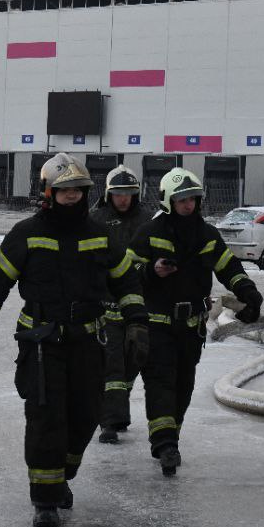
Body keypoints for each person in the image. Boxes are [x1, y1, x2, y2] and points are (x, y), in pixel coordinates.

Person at [0, 153, 145, 527]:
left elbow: (126, 281)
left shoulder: (99, 234)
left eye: (77, 190)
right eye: (64, 190)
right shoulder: (26, 234)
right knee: (46, 419)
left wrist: (138, 323)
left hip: (87, 341)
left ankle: (61, 476)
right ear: (48, 192)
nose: (72, 196)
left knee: (85, 416)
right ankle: (45, 499)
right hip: (42, 344)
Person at [128, 167, 263, 477]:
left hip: (191, 328)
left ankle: (170, 437)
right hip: (157, 325)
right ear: (167, 201)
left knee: (183, 386)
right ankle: (164, 444)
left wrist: (249, 293)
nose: (188, 204)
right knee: (160, 383)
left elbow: (229, 267)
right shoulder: (149, 234)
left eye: (193, 198)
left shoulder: (206, 235)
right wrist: (151, 271)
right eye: (182, 199)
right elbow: (123, 274)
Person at [89, 164, 153, 445]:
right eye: (118, 193)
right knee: (112, 365)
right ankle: (109, 423)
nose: (123, 198)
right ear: (108, 194)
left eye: (128, 193)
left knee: (132, 361)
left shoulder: (148, 221)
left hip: (139, 306)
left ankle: (118, 409)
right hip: (105, 306)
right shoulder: (95, 219)